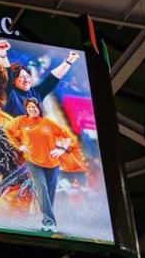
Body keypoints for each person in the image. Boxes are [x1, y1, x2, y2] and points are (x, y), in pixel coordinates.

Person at [5, 97, 85, 233]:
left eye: (34, 107)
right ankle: (50, 222)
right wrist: (19, 145)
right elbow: (7, 130)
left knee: (49, 193)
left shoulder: (48, 123)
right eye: (29, 107)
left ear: (39, 109)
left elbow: (67, 137)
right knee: (42, 189)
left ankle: (47, 220)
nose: (32, 109)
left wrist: (61, 150)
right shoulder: (21, 121)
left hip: (52, 164)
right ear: (26, 109)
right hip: (33, 161)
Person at [0, 39, 80, 117]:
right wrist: (2, 53)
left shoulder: (36, 93)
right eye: (22, 77)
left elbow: (52, 78)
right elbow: (6, 74)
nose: (26, 79)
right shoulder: (9, 92)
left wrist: (69, 61)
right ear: (13, 81)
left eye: (28, 76)